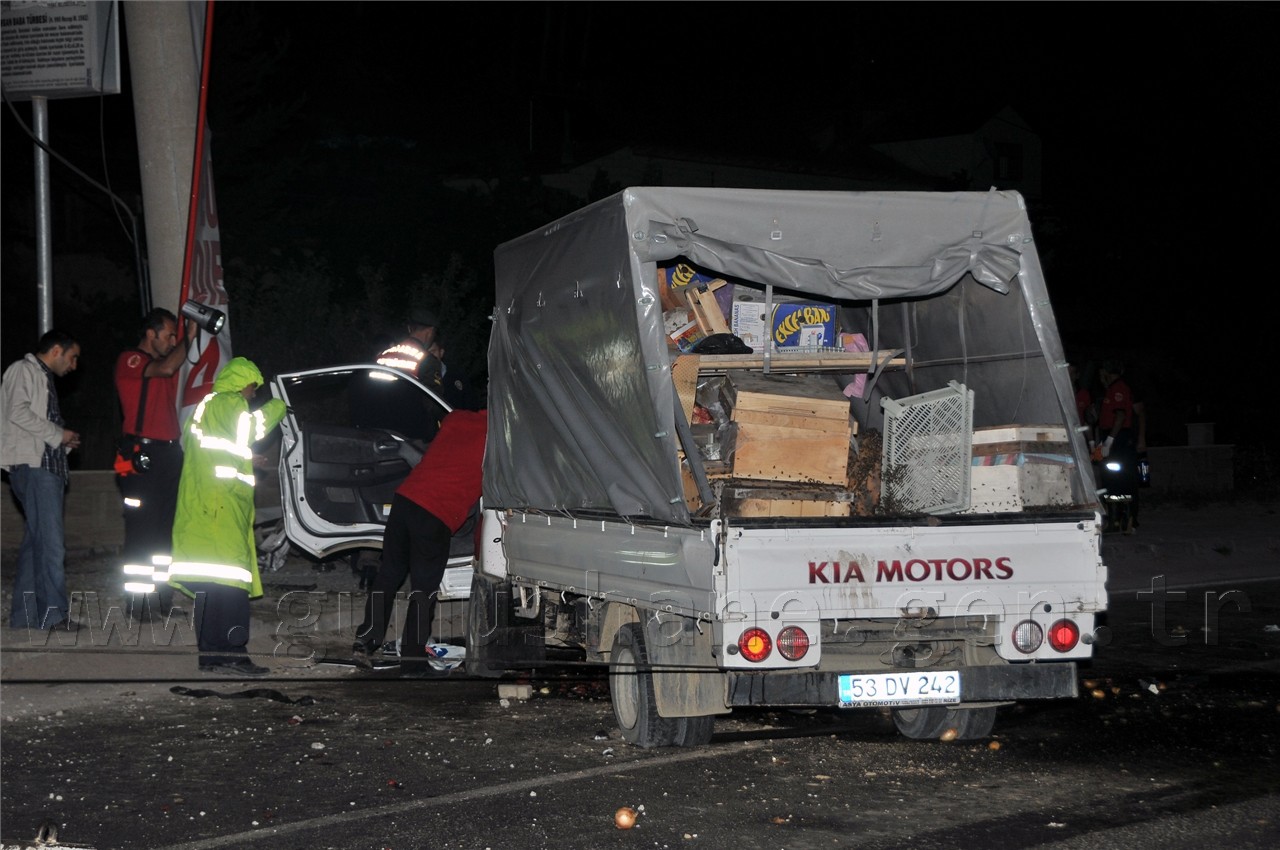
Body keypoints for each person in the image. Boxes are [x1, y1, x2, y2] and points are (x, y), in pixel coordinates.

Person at [167, 357, 286, 675]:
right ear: (242, 383)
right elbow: (253, 427)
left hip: (208, 504)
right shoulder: (231, 402)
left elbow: (223, 446)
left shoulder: (209, 406)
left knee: (212, 585)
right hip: (222, 507)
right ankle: (234, 653)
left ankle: (211, 656)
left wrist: (249, 458)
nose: (251, 395)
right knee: (233, 583)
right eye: (252, 388)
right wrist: (279, 406)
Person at [353, 404, 487, 678]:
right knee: (423, 590)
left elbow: (441, 427)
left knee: (389, 574)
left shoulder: (457, 419)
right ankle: (413, 663)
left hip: (405, 500)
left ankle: (365, 641)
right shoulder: (499, 442)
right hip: (435, 513)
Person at [114, 308, 197, 620]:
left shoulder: (165, 365)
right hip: (139, 456)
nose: (172, 340)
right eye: (168, 335)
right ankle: (138, 605)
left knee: (165, 533)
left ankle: (162, 600)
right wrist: (188, 338)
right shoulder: (131, 359)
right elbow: (166, 367)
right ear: (150, 334)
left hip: (168, 453)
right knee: (141, 532)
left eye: (175, 335)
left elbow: (175, 368)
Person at [1, 329, 83, 631]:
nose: (74, 366)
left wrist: (62, 442)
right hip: (35, 470)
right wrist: (57, 434)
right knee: (50, 545)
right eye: (73, 357)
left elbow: (34, 423)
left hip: (43, 466)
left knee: (35, 545)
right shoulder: (23, 370)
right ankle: (54, 616)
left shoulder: (41, 377)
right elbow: (16, 412)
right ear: (57, 350)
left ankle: (24, 619)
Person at [1096, 358, 1141, 534]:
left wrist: (1110, 440)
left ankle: (1128, 520)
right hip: (1112, 437)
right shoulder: (1111, 389)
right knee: (1112, 480)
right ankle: (1115, 519)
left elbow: (1120, 416)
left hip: (1119, 440)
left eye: (1102, 374)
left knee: (1120, 479)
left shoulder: (1118, 388)